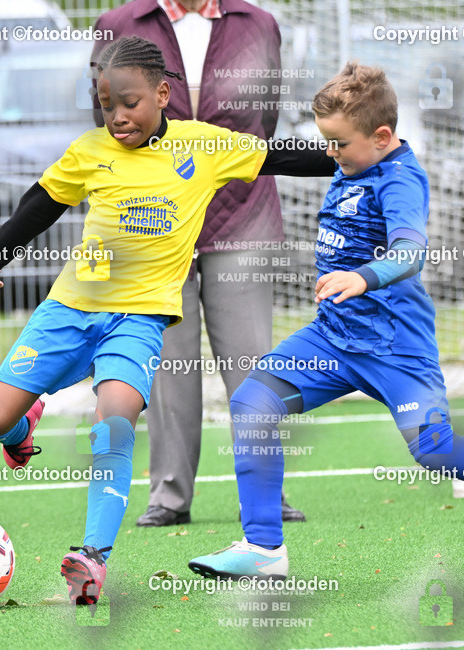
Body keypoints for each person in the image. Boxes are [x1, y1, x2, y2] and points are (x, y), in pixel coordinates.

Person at [188, 62, 464, 580]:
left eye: (338, 143)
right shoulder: (350, 161)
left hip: (393, 346)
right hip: (333, 337)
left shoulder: (400, 178)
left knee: (434, 451)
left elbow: (411, 250)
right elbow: (276, 158)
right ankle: (264, 548)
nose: (330, 153)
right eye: (327, 142)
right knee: (253, 403)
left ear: (381, 136)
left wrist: (362, 277)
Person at [0, 36, 332, 605]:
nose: (117, 116)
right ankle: (23, 422)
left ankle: (92, 558)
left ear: (163, 94)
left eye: (130, 102)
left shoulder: (203, 146)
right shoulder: (89, 150)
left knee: (113, 424)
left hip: (139, 320)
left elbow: (278, 155)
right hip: (70, 310)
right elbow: (40, 203)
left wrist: (355, 153)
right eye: (106, 103)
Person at [91, 0, 305, 527]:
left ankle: (265, 494)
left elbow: (266, 117)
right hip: (154, 223)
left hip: (244, 218)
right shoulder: (119, 25)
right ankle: (168, 495)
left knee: (253, 365)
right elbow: (107, 122)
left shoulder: (259, 24)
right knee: (166, 368)